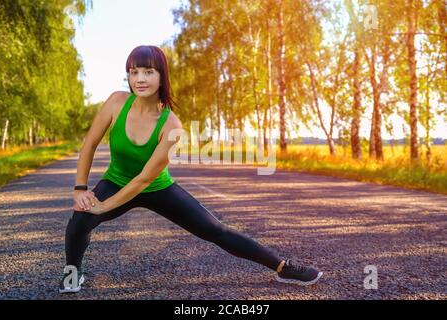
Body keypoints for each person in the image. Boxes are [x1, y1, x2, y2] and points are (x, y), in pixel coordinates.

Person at [59, 45, 323, 294]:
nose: (139, 79)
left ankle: (283, 267)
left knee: (215, 230)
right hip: (116, 181)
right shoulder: (117, 102)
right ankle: (74, 273)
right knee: (79, 222)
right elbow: (90, 143)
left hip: (155, 187)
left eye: (148, 72)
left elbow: (142, 180)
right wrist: (80, 190)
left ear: (162, 77)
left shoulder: (171, 126)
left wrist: (103, 207)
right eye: (133, 72)